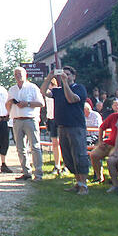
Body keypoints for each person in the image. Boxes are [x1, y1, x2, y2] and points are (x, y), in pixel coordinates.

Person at [40, 66, 90, 194]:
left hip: (76, 126)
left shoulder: (79, 88)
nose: (65, 76)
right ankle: (77, 182)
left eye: (68, 74)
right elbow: (42, 92)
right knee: (68, 157)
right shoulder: (57, 91)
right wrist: (49, 77)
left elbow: (71, 98)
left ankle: (84, 184)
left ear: (74, 76)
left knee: (79, 154)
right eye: (63, 74)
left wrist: (65, 83)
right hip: (62, 126)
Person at [8, 67, 45, 182]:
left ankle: (38, 174)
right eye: (16, 74)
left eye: (20, 74)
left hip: (30, 119)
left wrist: (27, 104)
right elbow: (7, 104)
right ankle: (26, 172)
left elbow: (41, 103)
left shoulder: (32, 87)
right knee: (20, 148)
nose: (18, 76)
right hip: (17, 120)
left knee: (35, 146)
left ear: (25, 75)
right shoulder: (12, 89)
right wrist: (10, 105)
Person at [90, 99, 118, 183]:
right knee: (94, 155)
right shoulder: (114, 116)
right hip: (109, 142)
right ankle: (99, 177)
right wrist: (100, 141)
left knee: (112, 157)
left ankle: (114, 178)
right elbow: (101, 127)